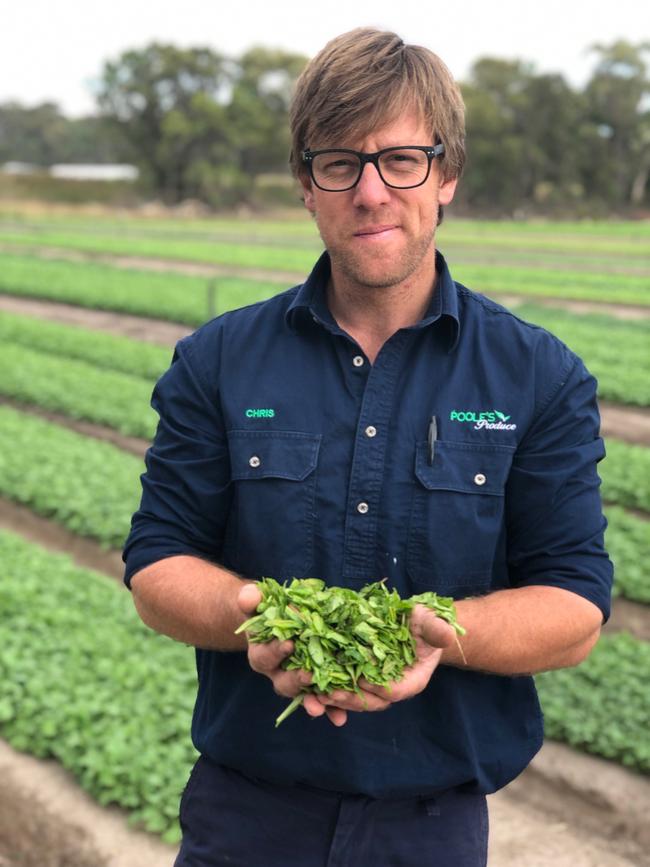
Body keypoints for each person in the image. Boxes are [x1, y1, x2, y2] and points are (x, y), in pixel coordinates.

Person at [123, 27, 613, 867]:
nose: (372, 190)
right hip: (244, 819)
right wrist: (259, 621)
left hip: (432, 827)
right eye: (339, 163)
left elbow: (574, 608)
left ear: (447, 174)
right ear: (306, 186)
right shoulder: (218, 360)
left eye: (402, 160)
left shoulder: (536, 375)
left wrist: (439, 633)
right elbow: (157, 564)